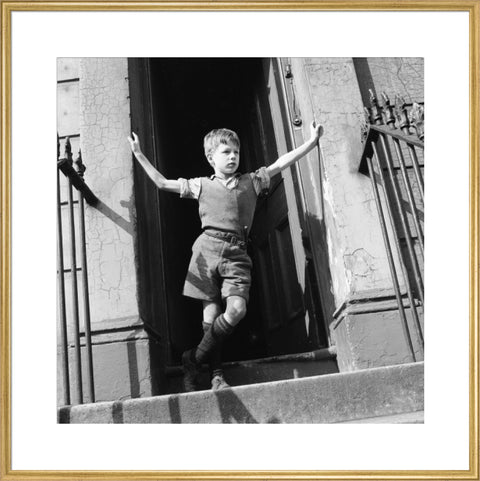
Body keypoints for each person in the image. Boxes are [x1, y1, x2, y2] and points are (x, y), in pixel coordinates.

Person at [127, 121, 323, 392]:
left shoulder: (252, 181)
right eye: (225, 152)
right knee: (210, 318)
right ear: (211, 157)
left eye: (236, 152)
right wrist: (138, 154)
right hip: (206, 251)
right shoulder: (200, 186)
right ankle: (216, 376)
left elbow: (281, 162)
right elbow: (162, 183)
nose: (232, 156)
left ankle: (192, 359)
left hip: (237, 254)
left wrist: (310, 143)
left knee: (237, 310)